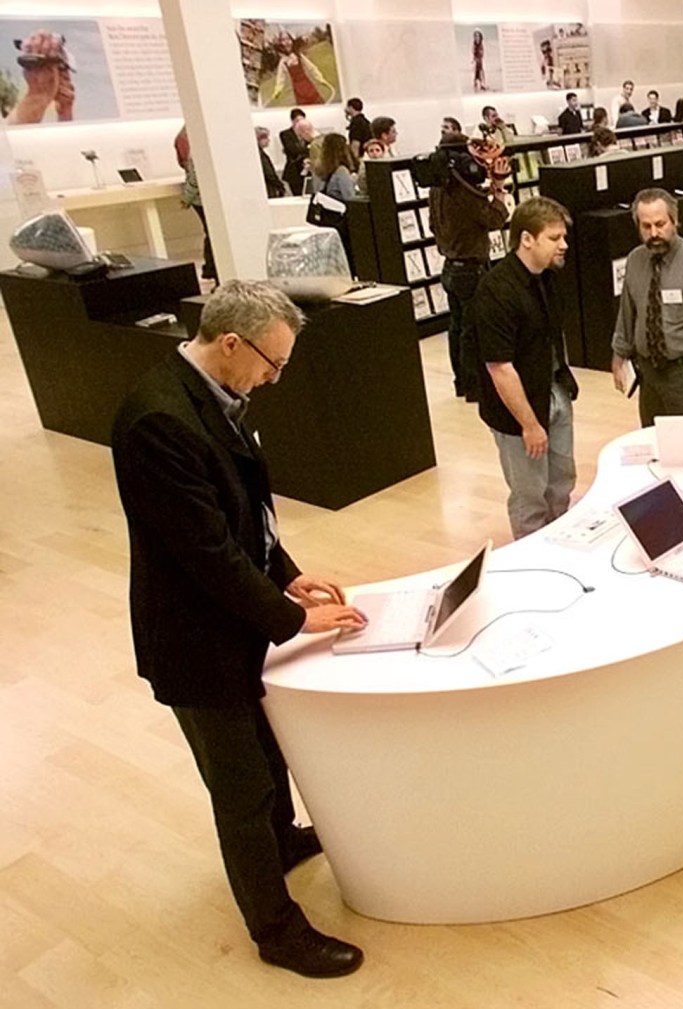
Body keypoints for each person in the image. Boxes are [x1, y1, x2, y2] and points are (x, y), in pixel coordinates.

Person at [110, 280, 369, 977]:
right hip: (194, 638)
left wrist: (286, 572)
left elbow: (243, 514)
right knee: (241, 786)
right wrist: (295, 619)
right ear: (230, 342)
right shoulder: (158, 420)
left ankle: (281, 842)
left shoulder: (217, 398)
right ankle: (276, 928)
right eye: (271, 362)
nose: (275, 377)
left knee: (267, 753)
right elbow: (208, 555)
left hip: (234, 622)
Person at [469, 198, 579, 538]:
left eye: (563, 236)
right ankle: (533, 557)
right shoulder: (496, 290)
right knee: (530, 494)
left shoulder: (547, 277)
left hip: (554, 393)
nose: (564, 245)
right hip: (519, 413)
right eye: (554, 237)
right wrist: (529, 425)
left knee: (561, 482)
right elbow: (500, 367)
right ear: (527, 239)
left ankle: (557, 541)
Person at [611, 189, 683, 426]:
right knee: (654, 447)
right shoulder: (635, 261)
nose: (654, 233)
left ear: (675, 221)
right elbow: (627, 313)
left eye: (660, 224)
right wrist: (619, 356)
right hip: (649, 376)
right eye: (646, 226)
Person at [430, 134, 511, 399]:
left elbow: (432, 225)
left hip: (449, 267)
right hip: (470, 269)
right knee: (472, 331)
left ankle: (461, 382)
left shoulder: (437, 188)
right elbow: (496, 219)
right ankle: (475, 387)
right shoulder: (464, 191)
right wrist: (498, 188)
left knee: (456, 328)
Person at [309, 133, 357, 270]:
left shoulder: (321, 171)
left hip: (328, 219)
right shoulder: (341, 171)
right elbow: (350, 198)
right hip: (342, 221)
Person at [175, 127, 215, 283]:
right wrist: (187, 198)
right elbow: (195, 178)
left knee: (211, 234)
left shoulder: (193, 148)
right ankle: (211, 268)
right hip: (202, 199)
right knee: (212, 234)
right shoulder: (198, 151)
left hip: (201, 199)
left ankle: (210, 269)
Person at [269, 29, 334, 107]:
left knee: (319, 105)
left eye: (288, 39)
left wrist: (320, 79)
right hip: (298, 91)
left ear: (292, 41)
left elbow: (312, 68)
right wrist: (278, 90)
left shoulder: (299, 56)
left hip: (309, 87)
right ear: (280, 44)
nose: (286, 42)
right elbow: (280, 78)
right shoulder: (283, 62)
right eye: (283, 40)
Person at [279, 108, 310, 196]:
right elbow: (292, 150)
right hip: (294, 171)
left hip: (308, 169)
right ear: (292, 121)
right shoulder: (285, 134)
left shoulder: (308, 132)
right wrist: (306, 150)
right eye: (297, 121)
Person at [256, 126, 287, 198]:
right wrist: (279, 185)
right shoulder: (261, 155)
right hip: (269, 188)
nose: (268, 140)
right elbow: (269, 173)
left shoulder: (259, 154)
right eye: (266, 138)